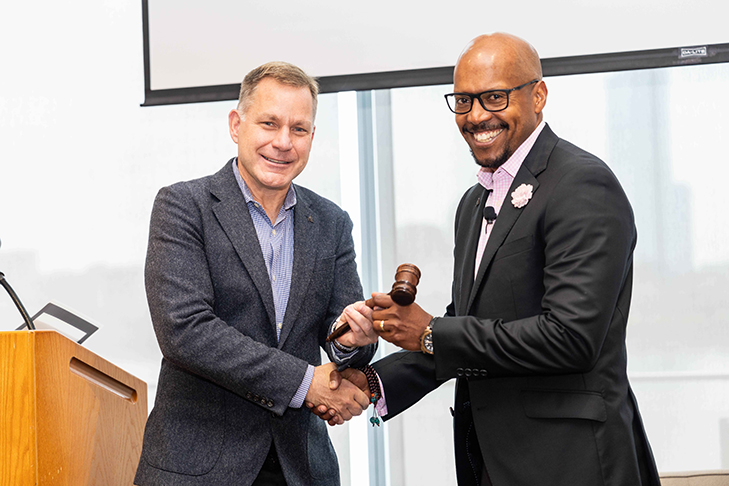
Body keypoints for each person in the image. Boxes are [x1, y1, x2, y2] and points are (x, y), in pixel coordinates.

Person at [322, 33, 661, 486]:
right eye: (463, 101)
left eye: (494, 97)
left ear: (538, 95)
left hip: (572, 465)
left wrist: (429, 333)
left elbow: (571, 337)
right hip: (490, 464)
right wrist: (372, 382)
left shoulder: (582, 184)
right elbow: (467, 323)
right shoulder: (472, 203)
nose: (477, 115)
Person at [134, 62, 378, 486]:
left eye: (299, 129)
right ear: (236, 124)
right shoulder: (183, 206)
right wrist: (305, 382)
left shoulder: (332, 222)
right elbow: (185, 330)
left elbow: (339, 338)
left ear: (312, 137)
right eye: (269, 123)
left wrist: (353, 341)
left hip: (300, 468)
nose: (283, 143)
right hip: (197, 467)